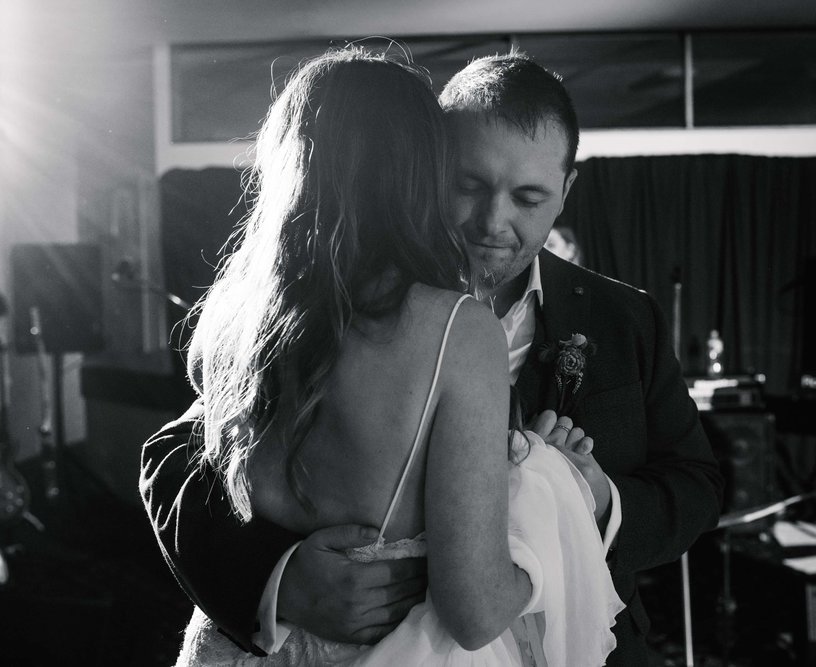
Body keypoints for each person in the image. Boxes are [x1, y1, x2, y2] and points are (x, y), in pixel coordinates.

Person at [140, 48, 724, 666]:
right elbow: (183, 458)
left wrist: (596, 502)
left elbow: (698, 487)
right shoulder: (347, 314)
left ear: (565, 191)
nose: (493, 221)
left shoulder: (627, 319)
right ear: (426, 165)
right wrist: (275, 579)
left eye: (528, 197)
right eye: (470, 185)